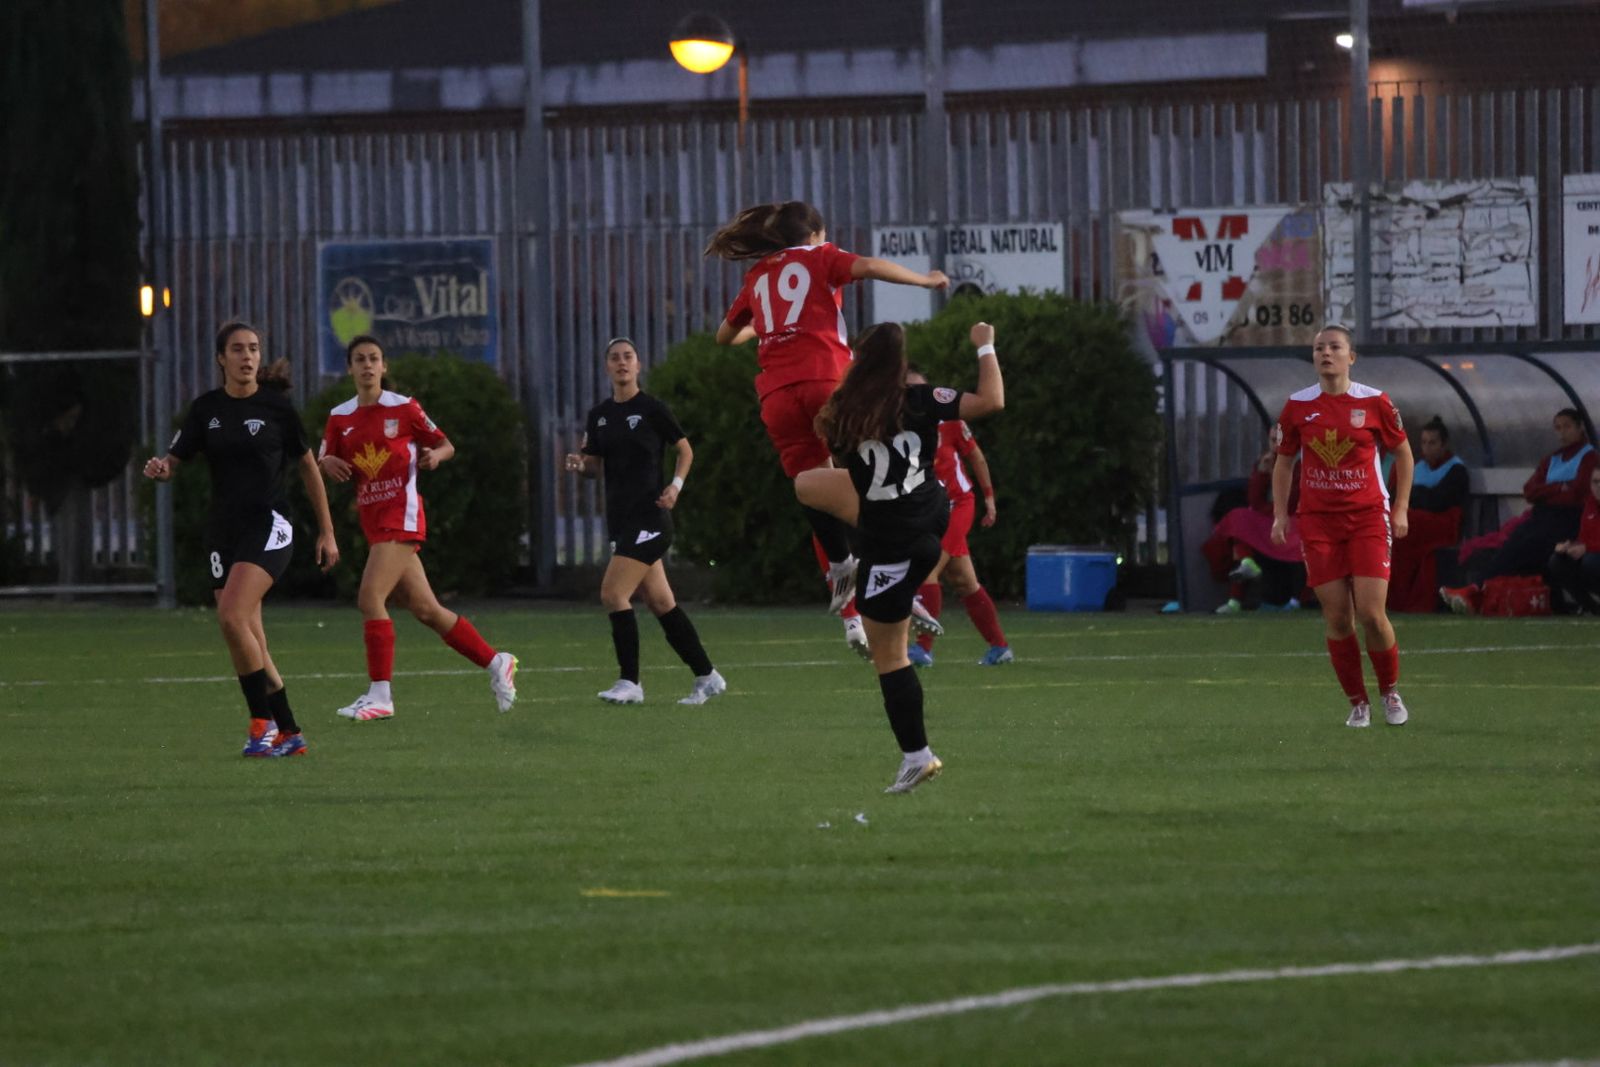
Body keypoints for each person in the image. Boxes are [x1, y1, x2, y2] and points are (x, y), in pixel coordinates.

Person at [708, 200, 950, 658]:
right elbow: (870, 266)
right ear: (817, 234)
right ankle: (896, 574)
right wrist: (925, 280)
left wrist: (769, 325)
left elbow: (725, 336)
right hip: (826, 383)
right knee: (873, 479)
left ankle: (847, 594)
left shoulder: (759, 276)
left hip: (777, 396)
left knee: (812, 487)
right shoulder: (820, 257)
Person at [796, 320, 1004, 793]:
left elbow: (822, 434)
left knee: (888, 657)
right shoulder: (921, 398)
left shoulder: (843, 410)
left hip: (895, 542)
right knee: (806, 485)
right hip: (931, 515)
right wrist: (985, 347)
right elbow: (992, 401)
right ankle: (855, 569)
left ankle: (917, 756)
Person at [142, 321, 339, 757]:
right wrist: (161, 469)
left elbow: (308, 467)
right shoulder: (205, 409)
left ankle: (261, 724)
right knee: (247, 634)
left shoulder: (277, 408)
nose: (248, 357)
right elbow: (175, 461)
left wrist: (327, 531)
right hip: (224, 533)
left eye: (253, 349)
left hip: (270, 525)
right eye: (238, 349)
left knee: (231, 615)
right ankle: (289, 732)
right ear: (221, 358)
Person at [316, 336, 519, 722]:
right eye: (359, 360)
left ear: (384, 367)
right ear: (349, 369)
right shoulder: (340, 416)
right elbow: (323, 456)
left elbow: (446, 445)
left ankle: (380, 695)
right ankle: (497, 662)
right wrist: (326, 462)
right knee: (426, 610)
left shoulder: (404, 407)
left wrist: (435, 457)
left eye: (374, 359)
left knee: (369, 597)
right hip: (374, 521)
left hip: (402, 516)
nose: (367, 366)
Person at [564, 337, 725, 706]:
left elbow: (685, 449)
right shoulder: (599, 415)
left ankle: (630, 682)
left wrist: (676, 486)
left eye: (628, 357)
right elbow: (592, 466)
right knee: (661, 602)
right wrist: (579, 465)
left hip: (651, 516)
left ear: (638, 366)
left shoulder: (653, 409)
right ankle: (707, 675)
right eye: (615, 358)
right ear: (607, 367)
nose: (622, 363)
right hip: (621, 521)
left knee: (613, 593)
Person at [1270, 325, 1414, 729]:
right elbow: (1284, 461)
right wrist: (1282, 514)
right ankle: (1358, 702)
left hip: (1368, 516)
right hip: (1318, 521)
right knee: (1337, 617)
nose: (1325, 354)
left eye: (1335, 347)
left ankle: (1389, 691)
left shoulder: (1375, 402)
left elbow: (1403, 454)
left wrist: (1400, 508)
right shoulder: (1297, 406)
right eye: (1319, 348)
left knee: (1370, 612)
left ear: (1351, 357)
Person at [901, 369, 1012, 667]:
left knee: (927, 570)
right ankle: (999, 647)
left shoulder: (950, 421)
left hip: (957, 505)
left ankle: (922, 649)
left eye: (918, 388)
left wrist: (989, 499)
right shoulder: (900, 424)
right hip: (929, 510)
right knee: (965, 582)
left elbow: (976, 456)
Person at [1441, 409, 1596, 614]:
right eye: (1558, 428)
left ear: (1579, 427)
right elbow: (1530, 490)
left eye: (1567, 426)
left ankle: (1476, 589)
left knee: (1526, 546)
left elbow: (1577, 493)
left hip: (1568, 518)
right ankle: (1477, 590)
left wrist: (1548, 491)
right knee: (1514, 542)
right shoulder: (1553, 459)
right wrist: (1560, 487)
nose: (1562, 433)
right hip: (1543, 515)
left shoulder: (1589, 457)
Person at [1203, 447, 1303, 613]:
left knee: (1305, 535)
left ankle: (1296, 601)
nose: (1276, 445)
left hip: (1292, 522)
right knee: (1238, 518)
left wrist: (1276, 475)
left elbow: (1290, 503)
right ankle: (1240, 583)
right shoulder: (1264, 462)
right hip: (1269, 521)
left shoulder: (1299, 464)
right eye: (1272, 440)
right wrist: (1262, 474)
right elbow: (1254, 502)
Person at [1387, 416, 1468, 613]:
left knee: (1402, 526)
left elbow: (1439, 501)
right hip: (1419, 519)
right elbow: (1401, 494)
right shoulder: (1418, 467)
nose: (1427, 448)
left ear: (1444, 444)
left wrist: (1417, 494)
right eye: (1424, 442)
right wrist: (1420, 495)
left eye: (1432, 443)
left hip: (1442, 523)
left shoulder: (1456, 469)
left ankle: (1400, 598)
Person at [1547, 466, 1600, 614]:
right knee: (1557, 561)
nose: (1598, 487)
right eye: (1595, 482)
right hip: (1593, 556)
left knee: (1590, 561)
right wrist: (1569, 547)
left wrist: (1587, 548)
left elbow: (1589, 545)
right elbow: (1585, 538)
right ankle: (1593, 608)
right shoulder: (1590, 504)